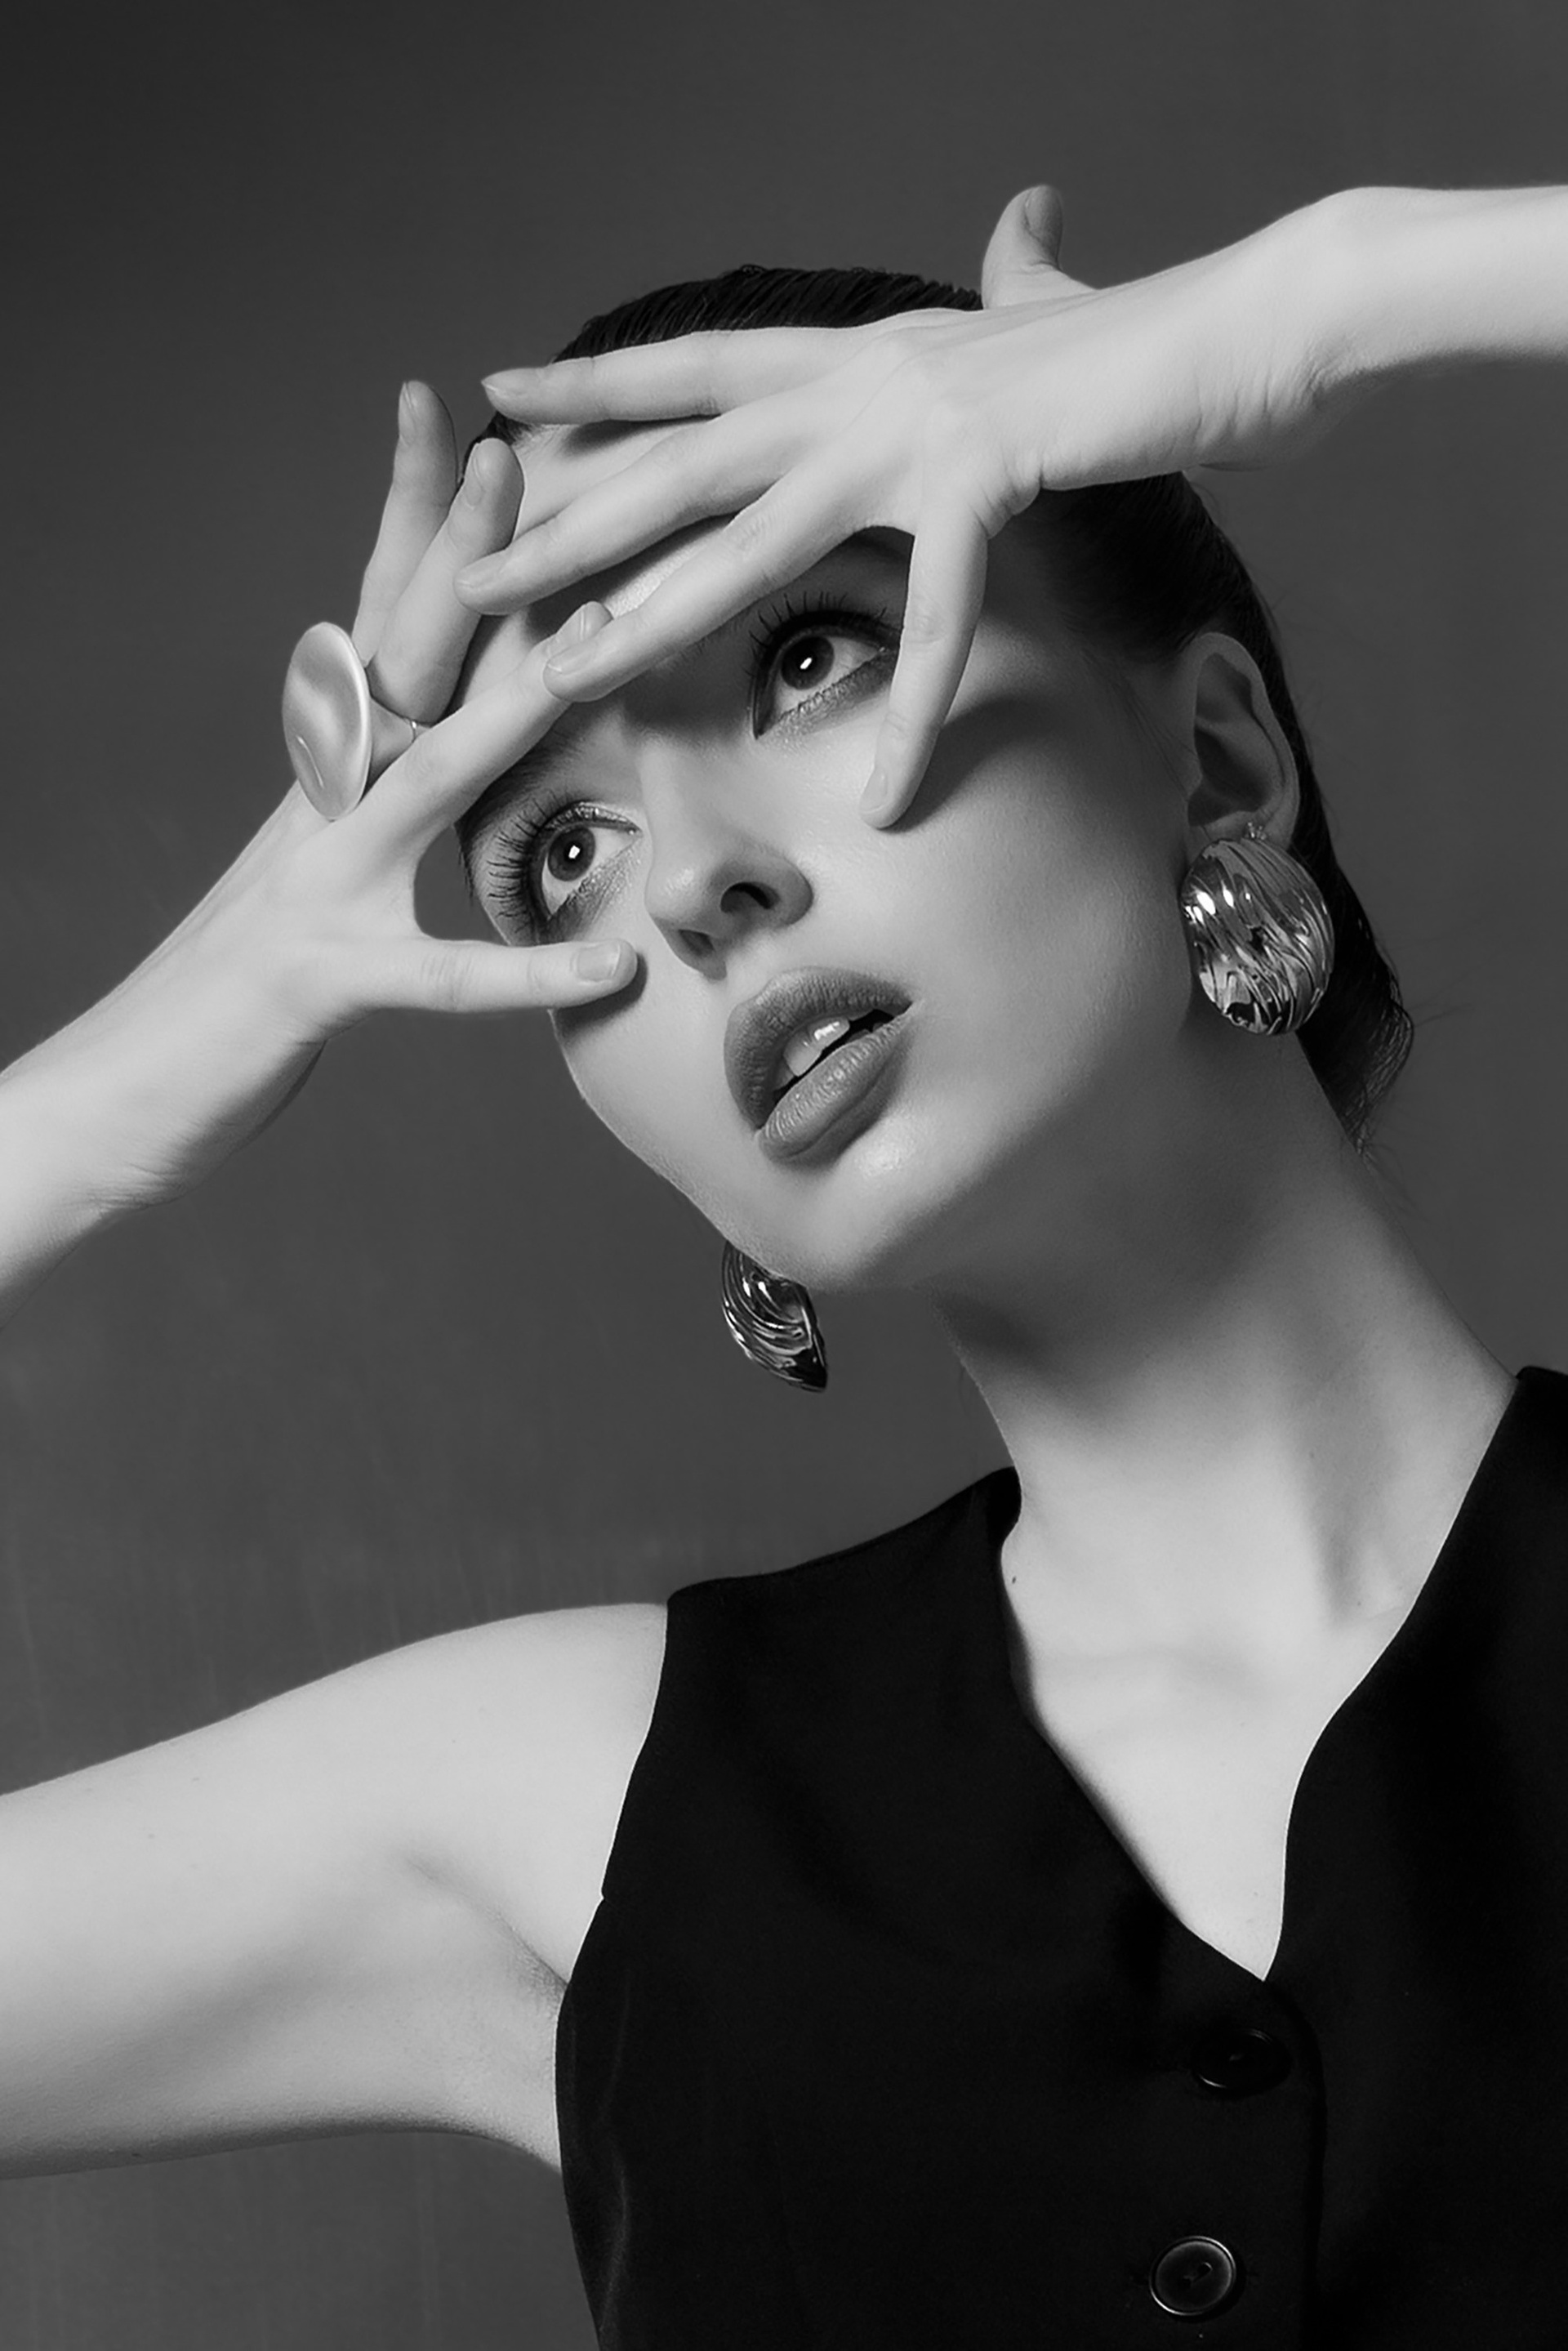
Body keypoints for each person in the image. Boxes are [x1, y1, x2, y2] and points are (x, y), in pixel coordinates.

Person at [1, 180, 1565, 2344]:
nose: (693, 892)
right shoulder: (584, 1812)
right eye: (562, 850)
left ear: (1213, 756)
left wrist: (1334, 292)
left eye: (806, 657)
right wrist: (103, 1093)